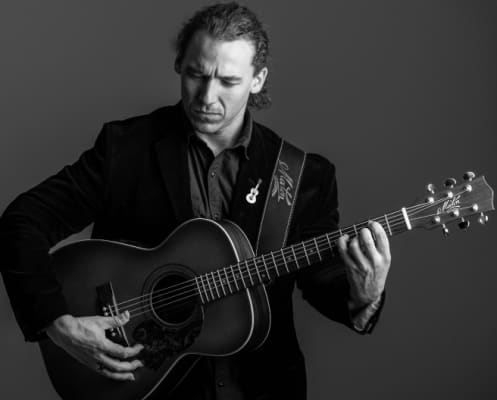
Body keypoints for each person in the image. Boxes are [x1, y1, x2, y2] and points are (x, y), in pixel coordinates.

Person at [0, 2, 391, 399]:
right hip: (145, 387)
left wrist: (365, 295)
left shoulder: (303, 175)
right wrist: (57, 323)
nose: (206, 96)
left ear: (257, 80)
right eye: (196, 75)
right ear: (178, 65)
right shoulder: (126, 149)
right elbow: (22, 222)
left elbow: (321, 280)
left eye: (228, 81)